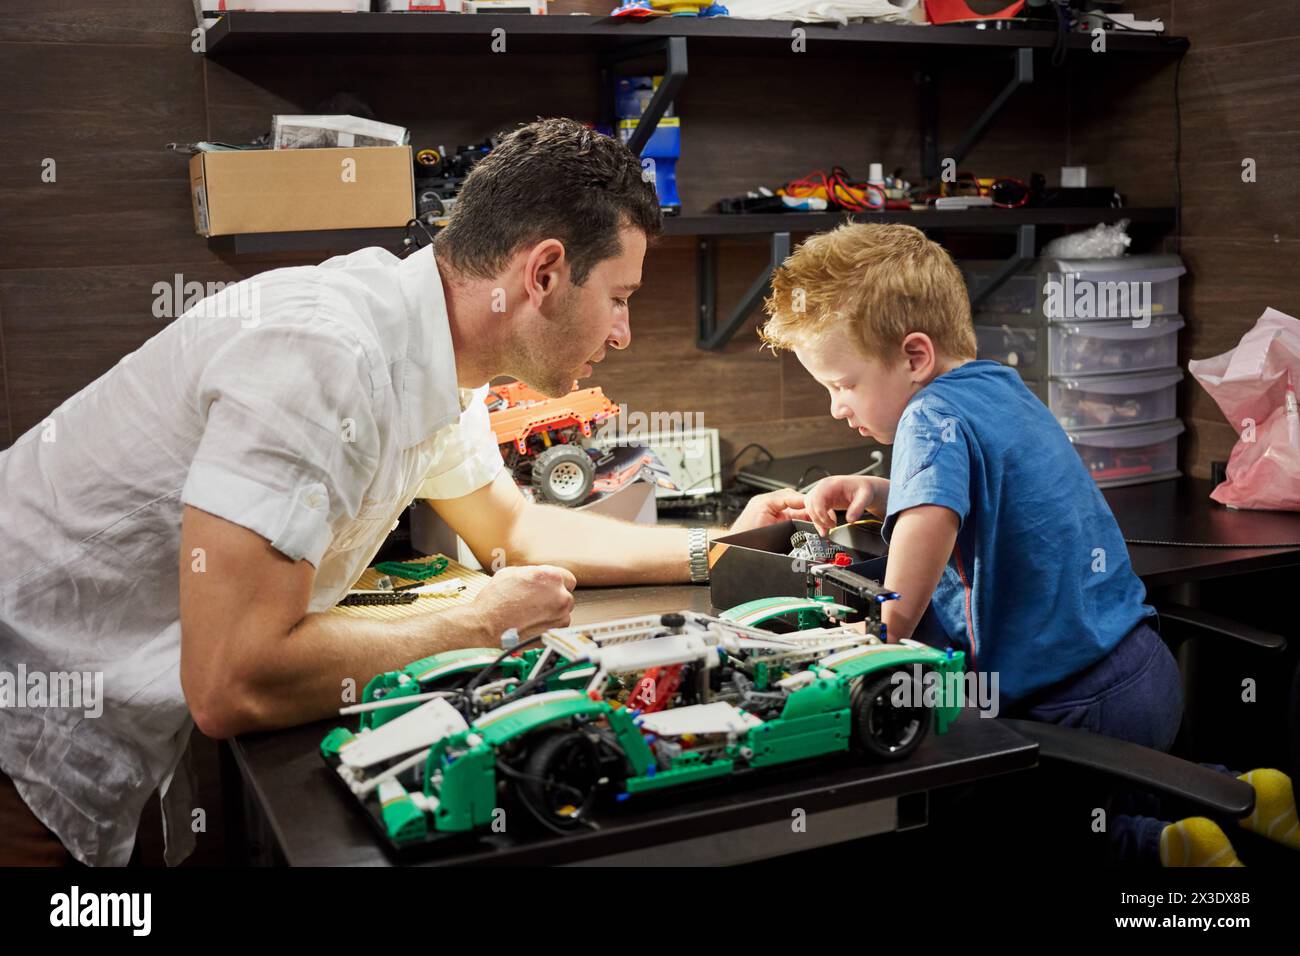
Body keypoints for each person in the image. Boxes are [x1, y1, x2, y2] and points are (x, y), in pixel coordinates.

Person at [0, 118, 800, 866]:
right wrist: (476, 624)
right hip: (22, 718)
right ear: (545, 272)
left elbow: (516, 531)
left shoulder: (433, 354)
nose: (622, 332)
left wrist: (721, 547)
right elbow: (232, 679)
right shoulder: (328, 356)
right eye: (619, 297)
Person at [757, 221, 1183, 748]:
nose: (836, 406)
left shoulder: (927, 414)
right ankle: (1245, 796)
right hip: (1140, 671)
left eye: (843, 384)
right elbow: (980, 494)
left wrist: (868, 637)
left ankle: (1151, 837)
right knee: (1147, 802)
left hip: (1074, 707)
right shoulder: (999, 384)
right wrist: (885, 490)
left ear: (915, 357)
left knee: (1062, 830)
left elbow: (906, 596)